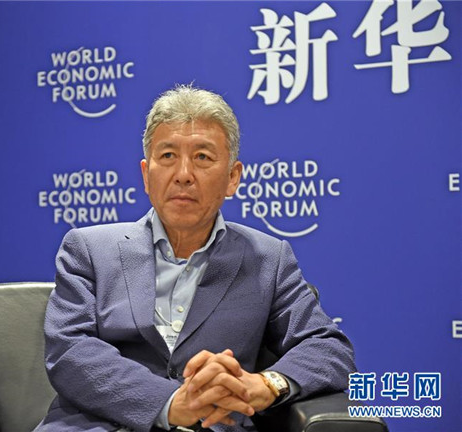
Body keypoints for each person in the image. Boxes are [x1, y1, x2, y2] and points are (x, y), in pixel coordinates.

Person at [36, 85, 355, 432]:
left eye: (202, 157)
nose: (183, 173)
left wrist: (267, 384)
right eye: (167, 156)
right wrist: (169, 402)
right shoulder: (88, 249)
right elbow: (69, 351)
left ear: (232, 178)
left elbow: (328, 347)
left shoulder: (268, 259)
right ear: (146, 175)